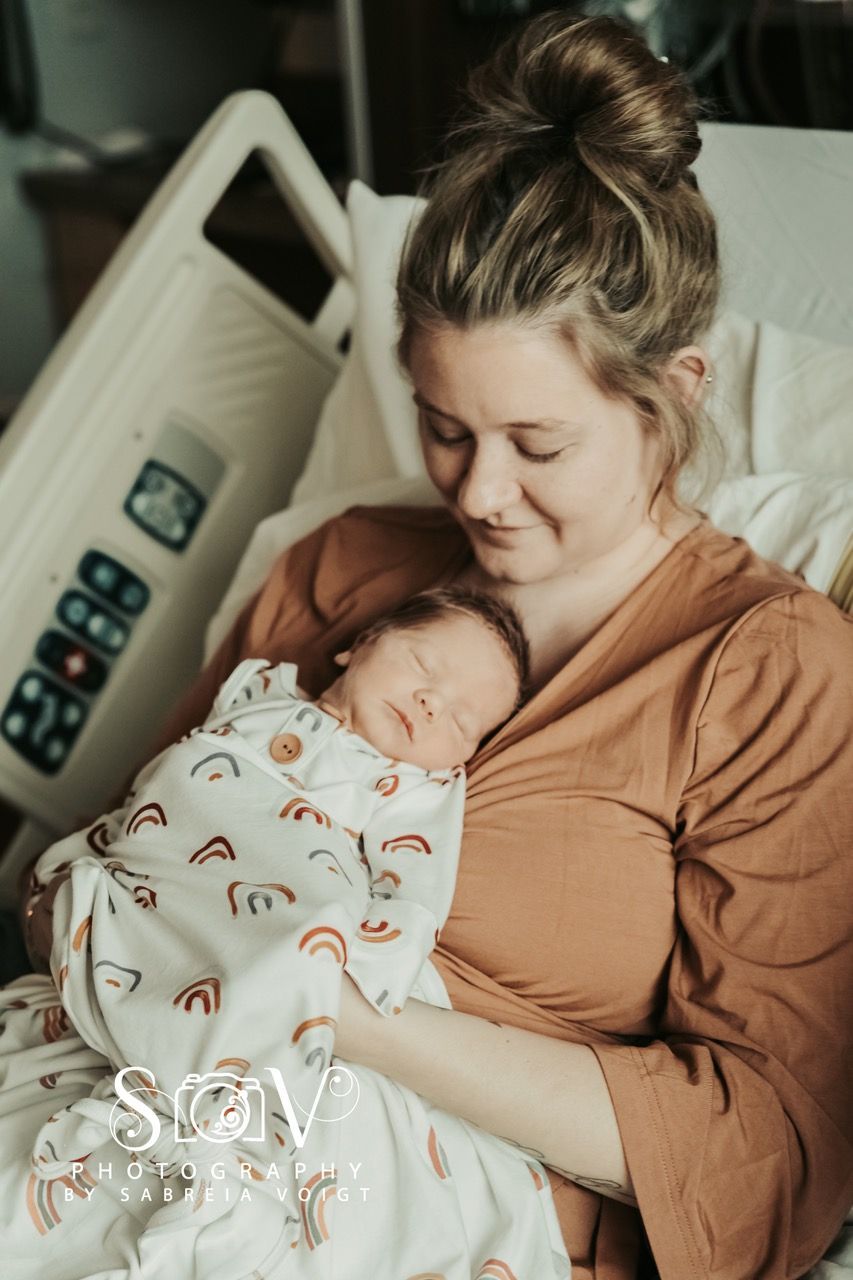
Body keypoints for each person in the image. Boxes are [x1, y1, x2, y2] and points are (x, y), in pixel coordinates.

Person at [20, 11, 853, 1280]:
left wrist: (343, 1016)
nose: (480, 493)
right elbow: (126, 860)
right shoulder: (346, 565)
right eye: (442, 425)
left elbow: (770, 1152)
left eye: (539, 443)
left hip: (413, 1196)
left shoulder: (761, 669)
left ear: (675, 392)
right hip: (125, 1082)